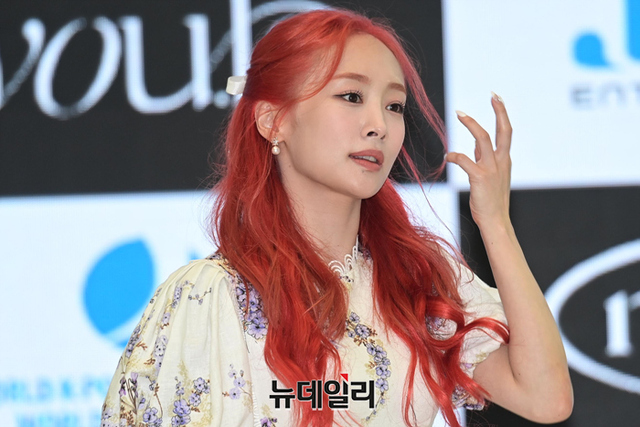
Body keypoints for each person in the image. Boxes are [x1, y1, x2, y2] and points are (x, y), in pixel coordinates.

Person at [101, 8, 573, 427]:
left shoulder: (419, 282)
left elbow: (546, 398)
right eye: (351, 97)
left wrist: (496, 223)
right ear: (273, 120)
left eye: (394, 106)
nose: (379, 125)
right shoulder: (213, 295)